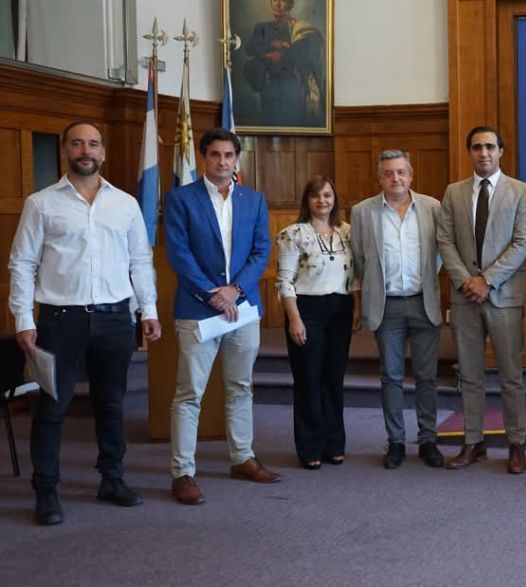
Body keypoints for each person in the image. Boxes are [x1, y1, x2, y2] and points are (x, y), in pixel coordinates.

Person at [8, 121, 161, 526]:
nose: (86, 150)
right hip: (60, 322)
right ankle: (47, 491)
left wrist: (149, 309)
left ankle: (112, 479)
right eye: (77, 143)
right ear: (66, 150)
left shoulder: (126, 204)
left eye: (93, 144)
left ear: (104, 153)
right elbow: (22, 264)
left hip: (115, 320)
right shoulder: (41, 203)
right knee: (52, 409)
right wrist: (24, 319)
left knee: (111, 406)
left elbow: (140, 262)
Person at [164, 128, 279, 505]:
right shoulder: (181, 199)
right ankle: (183, 472)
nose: (222, 162)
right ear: (203, 157)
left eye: (229, 155)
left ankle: (242, 457)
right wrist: (213, 294)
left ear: (237, 159)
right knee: (189, 393)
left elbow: (261, 251)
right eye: (215, 155)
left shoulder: (253, 199)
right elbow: (179, 254)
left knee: (241, 387)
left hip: (242, 310)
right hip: (199, 310)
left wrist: (237, 291)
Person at [438, 125, 526, 473]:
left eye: (490, 147)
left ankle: (516, 444)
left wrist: (487, 281)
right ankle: (473, 442)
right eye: (477, 147)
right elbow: (445, 241)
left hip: (504, 298)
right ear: (470, 152)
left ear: (501, 151)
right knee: (470, 375)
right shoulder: (453, 192)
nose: (484, 153)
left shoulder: (521, 192)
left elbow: (522, 243)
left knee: (511, 375)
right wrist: (468, 282)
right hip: (465, 298)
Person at [351, 150, 445, 470]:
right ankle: (395, 442)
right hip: (386, 306)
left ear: (411, 175)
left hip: (423, 302)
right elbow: (359, 260)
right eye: (389, 173)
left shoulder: (432, 207)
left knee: (426, 377)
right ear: (379, 178)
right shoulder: (363, 212)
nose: (396, 178)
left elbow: (443, 249)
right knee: (390, 377)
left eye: (401, 172)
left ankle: (428, 440)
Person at [276, 175, 359, 470]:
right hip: (306, 310)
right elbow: (284, 281)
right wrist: (294, 319)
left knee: (333, 380)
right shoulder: (293, 234)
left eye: (327, 195)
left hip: (339, 309)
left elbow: (355, 274)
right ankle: (310, 447)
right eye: (315, 196)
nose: (322, 201)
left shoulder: (347, 231)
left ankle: (334, 444)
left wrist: (356, 307)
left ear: (334, 198)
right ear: (307, 201)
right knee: (309, 380)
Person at [242, 0, 326, 127]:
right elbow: (250, 49)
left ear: (290, 3)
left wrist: (281, 55)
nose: (278, 4)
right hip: (268, 88)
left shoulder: (300, 28)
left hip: (293, 89)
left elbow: (303, 54)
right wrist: (272, 46)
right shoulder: (262, 28)